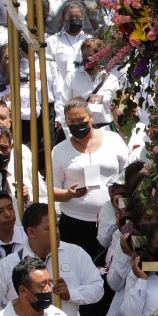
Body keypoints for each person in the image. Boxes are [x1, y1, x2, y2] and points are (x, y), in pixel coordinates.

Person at [50, 98, 129, 255]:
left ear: (91, 117)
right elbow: (52, 190)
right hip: (75, 223)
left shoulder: (113, 140)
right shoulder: (59, 151)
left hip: (112, 220)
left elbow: (127, 174)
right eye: (71, 121)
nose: (77, 124)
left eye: (81, 119)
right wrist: (68, 194)